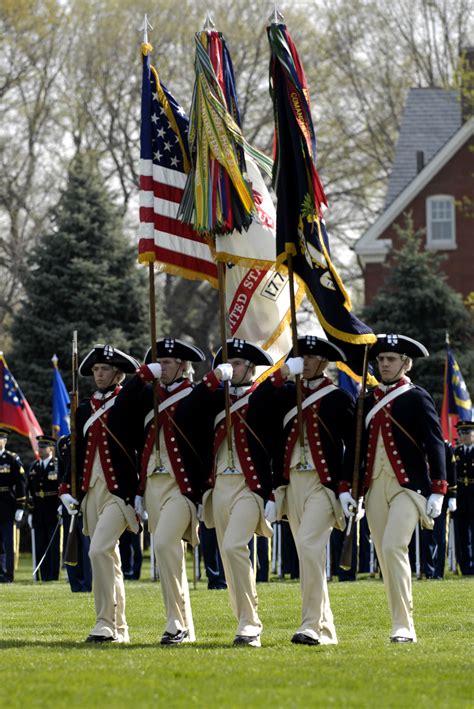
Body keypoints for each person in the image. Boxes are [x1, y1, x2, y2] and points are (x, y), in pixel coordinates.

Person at [349, 334, 447, 643]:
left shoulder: (416, 396)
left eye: (391, 359)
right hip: (374, 487)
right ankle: (398, 622)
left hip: (409, 487)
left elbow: (434, 441)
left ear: (406, 363)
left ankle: (406, 626)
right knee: (384, 555)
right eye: (380, 359)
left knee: (393, 547)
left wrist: (439, 488)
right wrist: (349, 490)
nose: (384, 364)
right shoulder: (367, 399)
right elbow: (356, 447)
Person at [118, 338, 209, 644]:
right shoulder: (148, 395)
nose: (163, 367)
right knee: (168, 555)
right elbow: (120, 410)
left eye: (168, 362)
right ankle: (184, 625)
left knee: (164, 543)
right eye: (160, 362)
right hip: (153, 486)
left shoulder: (194, 394)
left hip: (181, 485)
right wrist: (143, 375)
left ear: (183, 366)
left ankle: (176, 624)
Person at [269, 336, 355, 645]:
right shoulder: (286, 395)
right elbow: (255, 407)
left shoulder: (338, 398)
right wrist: (280, 374)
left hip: (323, 484)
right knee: (309, 555)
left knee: (308, 546)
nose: (303, 362)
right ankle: (326, 630)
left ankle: (309, 625)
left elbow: (353, 447)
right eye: (299, 357)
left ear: (323, 362)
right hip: (292, 483)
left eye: (309, 357)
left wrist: (346, 487)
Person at [197, 338, 275, 647]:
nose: (231, 367)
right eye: (228, 363)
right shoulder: (216, 398)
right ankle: (244, 617)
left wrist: (273, 491)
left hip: (250, 485)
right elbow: (189, 409)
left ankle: (251, 624)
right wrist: (215, 379)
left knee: (233, 547)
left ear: (251, 368)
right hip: (219, 488)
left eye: (238, 363)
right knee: (229, 558)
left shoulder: (262, 397)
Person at [59, 344, 140, 643]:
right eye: (95, 370)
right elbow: (74, 452)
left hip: (119, 490)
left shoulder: (127, 401)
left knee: (97, 550)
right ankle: (120, 628)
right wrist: (67, 489)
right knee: (108, 558)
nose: (99, 374)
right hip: (91, 491)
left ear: (118, 372)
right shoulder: (83, 408)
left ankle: (104, 623)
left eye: (105, 369)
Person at [56, 435, 92, 592]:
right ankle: (75, 583)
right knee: (70, 542)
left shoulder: (86, 437)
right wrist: (61, 500)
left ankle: (88, 583)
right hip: (67, 500)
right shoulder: (63, 443)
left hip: (86, 497)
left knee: (86, 543)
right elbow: (62, 473)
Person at [420, 440, 457, 579]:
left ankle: (439, 571)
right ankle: (428, 570)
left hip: (442, 497)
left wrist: (453, 494)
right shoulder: (419, 443)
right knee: (426, 535)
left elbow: (451, 470)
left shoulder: (445, 446)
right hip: (424, 495)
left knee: (441, 536)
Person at [27, 435, 61, 581]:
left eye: (43, 447)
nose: (40, 450)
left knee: (53, 546)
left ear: (51, 448)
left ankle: (53, 576)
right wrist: (30, 511)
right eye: (39, 447)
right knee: (40, 545)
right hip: (38, 512)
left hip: (53, 511)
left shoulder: (58, 465)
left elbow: (61, 488)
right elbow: (29, 491)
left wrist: (61, 507)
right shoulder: (34, 466)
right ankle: (43, 575)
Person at [0, 428, 26, 583]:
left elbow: (21, 483)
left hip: (7, 505)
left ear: (5, 441)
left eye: (0, 438)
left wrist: (20, 506)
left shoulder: (12, 459)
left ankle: (8, 575)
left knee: (9, 544)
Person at [453, 420, 474, 575]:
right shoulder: (456, 452)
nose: (464, 436)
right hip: (461, 496)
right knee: (462, 532)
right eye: (461, 433)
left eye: (467, 433)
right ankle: (465, 567)